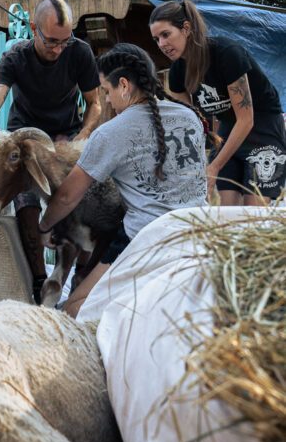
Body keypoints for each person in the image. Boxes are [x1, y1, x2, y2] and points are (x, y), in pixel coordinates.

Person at [38, 43, 218, 318]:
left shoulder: (109, 133)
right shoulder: (189, 116)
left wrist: (46, 225)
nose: (107, 100)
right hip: (199, 233)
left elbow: (67, 196)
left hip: (146, 239)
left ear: (124, 85)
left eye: (107, 91)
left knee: (75, 310)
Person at [0, 0, 101, 302]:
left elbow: (95, 103)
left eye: (64, 42)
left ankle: (76, 285)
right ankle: (39, 282)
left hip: (65, 138)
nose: (58, 49)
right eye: (51, 41)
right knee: (27, 207)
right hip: (24, 137)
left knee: (80, 205)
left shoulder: (79, 53)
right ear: (33, 28)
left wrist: (82, 136)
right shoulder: (15, 57)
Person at [149, 0, 286, 205]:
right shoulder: (178, 71)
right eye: (156, 39)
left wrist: (214, 166)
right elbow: (187, 123)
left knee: (252, 213)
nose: (161, 44)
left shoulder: (226, 53)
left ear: (186, 28)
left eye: (166, 34)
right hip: (228, 132)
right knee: (224, 209)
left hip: (263, 129)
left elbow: (246, 119)